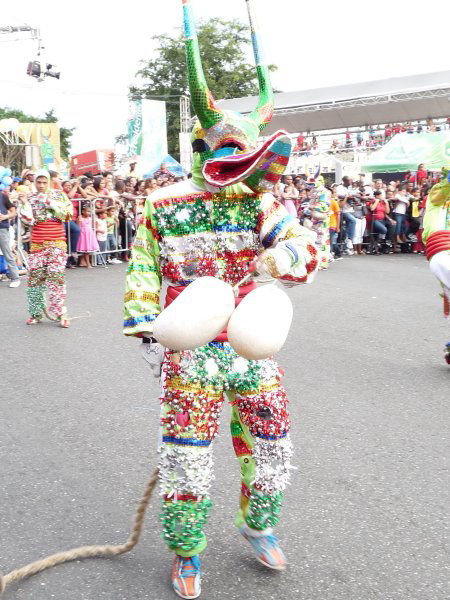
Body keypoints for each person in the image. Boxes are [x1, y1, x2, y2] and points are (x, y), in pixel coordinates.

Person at [123, 2, 319, 597]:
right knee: (188, 456)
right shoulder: (164, 204)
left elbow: (305, 246)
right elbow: (142, 265)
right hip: (189, 347)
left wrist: (286, 259)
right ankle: (186, 553)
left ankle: (259, 528)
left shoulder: (261, 204)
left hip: (250, 342)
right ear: (203, 149)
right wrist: (146, 321)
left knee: (273, 439)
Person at [20, 170, 73, 327]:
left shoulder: (58, 195)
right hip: (37, 244)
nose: (41, 185)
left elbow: (68, 215)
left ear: (49, 182)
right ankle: (35, 313)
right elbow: (28, 220)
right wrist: (24, 203)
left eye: (44, 182)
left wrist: (49, 201)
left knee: (56, 279)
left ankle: (60, 313)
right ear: (35, 182)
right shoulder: (29, 197)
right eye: (39, 182)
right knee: (35, 280)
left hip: (57, 243)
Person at [0, 189, 21, 287]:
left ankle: (15, 278)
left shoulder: (3, 196)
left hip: (2, 229)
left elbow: (13, 212)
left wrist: (5, 217)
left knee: (7, 253)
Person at [77, 204, 99, 268]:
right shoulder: (80, 218)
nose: (89, 213)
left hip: (89, 234)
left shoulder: (90, 218)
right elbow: (78, 226)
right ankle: (88, 263)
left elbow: (93, 226)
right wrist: (79, 220)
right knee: (86, 250)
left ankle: (84, 262)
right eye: (87, 211)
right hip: (83, 234)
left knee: (88, 249)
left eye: (90, 211)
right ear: (83, 211)